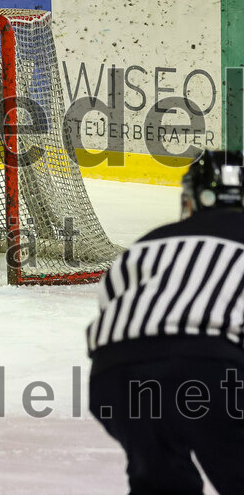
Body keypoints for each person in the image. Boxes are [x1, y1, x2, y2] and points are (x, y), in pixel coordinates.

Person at [87, 149, 244, 494]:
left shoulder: (148, 243)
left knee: (161, 486)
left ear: (192, 199)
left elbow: (112, 305)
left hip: (116, 377)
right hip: (208, 372)